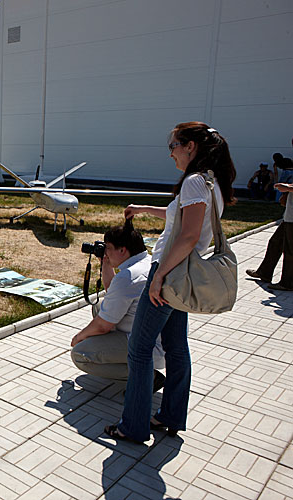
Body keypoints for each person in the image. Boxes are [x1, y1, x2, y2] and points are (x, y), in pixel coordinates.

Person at [105, 122, 236, 443]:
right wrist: (143, 209)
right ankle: (171, 415)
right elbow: (182, 217)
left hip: (169, 274)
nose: (171, 153)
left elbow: (189, 235)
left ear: (191, 146)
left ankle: (132, 426)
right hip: (181, 275)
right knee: (177, 348)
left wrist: (159, 276)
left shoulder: (193, 181)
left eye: (174, 146)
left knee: (139, 349)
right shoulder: (209, 183)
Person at [70, 221, 166, 390]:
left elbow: (103, 326)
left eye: (108, 247)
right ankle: (124, 360)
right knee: (100, 306)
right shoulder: (147, 262)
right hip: (158, 338)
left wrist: (79, 337)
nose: (105, 251)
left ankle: (147, 376)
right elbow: (114, 293)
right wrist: (106, 264)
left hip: (147, 347)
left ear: (122, 250)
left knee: (79, 353)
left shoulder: (129, 277)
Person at [246, 182, 293, 291]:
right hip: (289, 217)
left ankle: (288, 283)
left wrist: (287, 188)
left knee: (290, 250)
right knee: (275, 242)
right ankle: (264, 272)